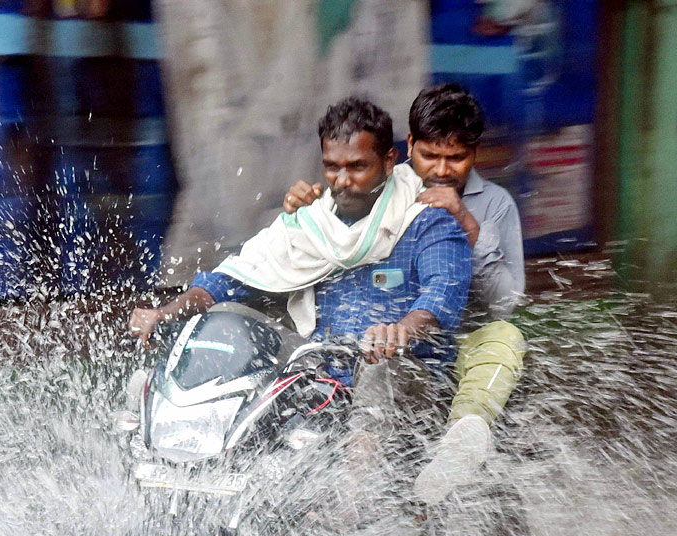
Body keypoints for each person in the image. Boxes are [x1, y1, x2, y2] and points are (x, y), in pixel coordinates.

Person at [128, 97, 472, 444]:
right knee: (227, 319)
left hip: (409, 385)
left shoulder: (428, 219)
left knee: (378, 371)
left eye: (357, 166)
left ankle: (360, 496)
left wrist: (401, 331)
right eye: (332, 167)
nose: (342, 180)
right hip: (322, 381)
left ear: (388, 160)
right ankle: (166, 430)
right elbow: (228, 280)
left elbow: (442, 293)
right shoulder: (309, 221)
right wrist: (163, 313)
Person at [282, 84, 528, 506]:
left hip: (462, 346)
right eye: (430, 155)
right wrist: (301, 206)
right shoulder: (381, 187)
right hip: (388, 344)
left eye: (457, 158)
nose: (443, 169)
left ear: (476, 153)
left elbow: (507, 302)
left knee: (506, 336)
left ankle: (462, 439)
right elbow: (334, 230)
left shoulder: (496, 204)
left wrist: (467, 223)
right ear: (408, 146)